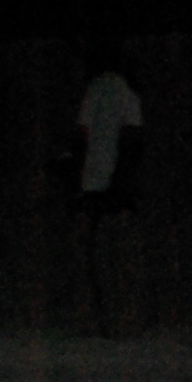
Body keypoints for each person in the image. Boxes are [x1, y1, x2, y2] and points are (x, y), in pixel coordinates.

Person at [67, 44, 145, 334]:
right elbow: (131, 143)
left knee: (91, 258)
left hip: (92, 186)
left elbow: (82, 136)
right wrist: (121, 184)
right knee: (120, 258)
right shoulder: (128, 95)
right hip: (117, 191)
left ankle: (91, 319)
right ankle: (122, 321)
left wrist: (80, 181)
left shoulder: (95, 90)